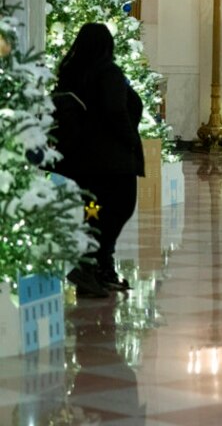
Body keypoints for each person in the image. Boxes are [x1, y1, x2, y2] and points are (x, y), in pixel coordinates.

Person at [53, 23, 145, 297]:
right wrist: (130, 139)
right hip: (112, 162)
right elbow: (116, 110)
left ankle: (100, 270)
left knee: (93, 213)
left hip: (84, 163)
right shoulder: (108, 72)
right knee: (118, 209)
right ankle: (92, 265)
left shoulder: (72, 73)